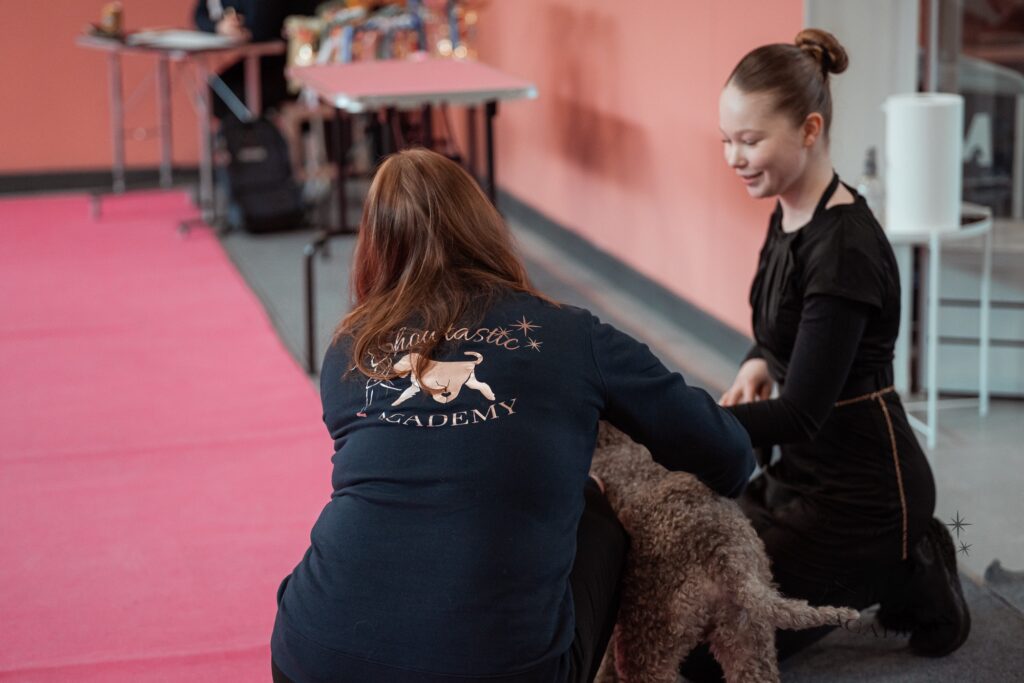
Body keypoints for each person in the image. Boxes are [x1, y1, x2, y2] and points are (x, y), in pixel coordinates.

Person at [270, 148, 755, 683]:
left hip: (309, 657)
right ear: (483, 226)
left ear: (373, 247)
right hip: (498, 670)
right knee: (595, 512)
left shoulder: (351, 348)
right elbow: (729, 456)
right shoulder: (573, 335)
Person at [679, 28, 971, 682]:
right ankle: (891, 563)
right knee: (681, 585)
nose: (733, 157)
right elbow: (784, 328)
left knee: (700, 655)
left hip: (861, 499)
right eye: (726, 140)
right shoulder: (789, 209)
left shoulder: (843, 249)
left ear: (809, 130)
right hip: (802, 476)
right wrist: (758, 361)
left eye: (749, 140)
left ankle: (907, 563)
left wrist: (686, 419)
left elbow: (802, 413)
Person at [194, 0, 319, 121]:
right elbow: (200, 16)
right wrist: (219, 26)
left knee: (232, 96)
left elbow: (262, 23)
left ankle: (259, 131)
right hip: (262, 59)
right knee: (213, 94)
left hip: (297, 64)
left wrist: (244, 29)